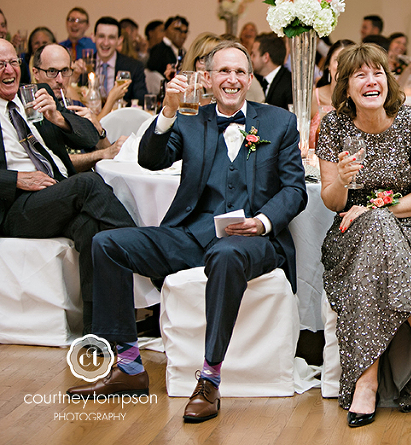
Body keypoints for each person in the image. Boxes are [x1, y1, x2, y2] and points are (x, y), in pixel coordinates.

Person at [66, 40, 308, 424]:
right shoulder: (192, 119)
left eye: (240, 72)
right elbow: (150, 159)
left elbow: (294, 190)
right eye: (223, 71)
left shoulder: (278, 122)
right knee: (106, 243)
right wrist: (167, 111)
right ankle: (128, 366)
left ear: (249, 79)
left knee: (226, 254)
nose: (232, 79)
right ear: (208, 78)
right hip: (191, 236)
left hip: (253, 242)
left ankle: (210, 379)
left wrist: (261, 223)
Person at [316, 43, 411, 427]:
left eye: (377, 72)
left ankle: (366, 384)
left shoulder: (410, 121)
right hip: (348, 232)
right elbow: (331, 201)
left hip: (410, 232)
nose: (371, 80)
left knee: (376, 223)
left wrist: (377, 209)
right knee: (371, 228)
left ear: (388, 80)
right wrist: (341, 181)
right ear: (346, 86)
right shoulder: (333, 126)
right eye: (360, 74)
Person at [0, 38, 136, 333]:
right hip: (14, 205)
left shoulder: (34, 96)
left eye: (12, 62)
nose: (8, 70)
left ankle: (99, 332)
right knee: (87, 183)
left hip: (54, 194)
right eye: (0, 64)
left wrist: (58, 118)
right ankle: (143, 248)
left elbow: (89, 136)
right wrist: (17, 179)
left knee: (91, 230)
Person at [30, 44, 127, 170]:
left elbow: (110, 154)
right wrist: (101, 154)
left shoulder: (75, 106)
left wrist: (98, 130)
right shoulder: (32, 112)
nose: (60, 80)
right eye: (52, 71)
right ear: (36, 73)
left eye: (65, 71)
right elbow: (54, 161)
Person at [91, 16, 147, 106]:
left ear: (119, 40)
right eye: (101, 36)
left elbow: (140, 101)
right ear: (93, 37)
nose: (105, 43)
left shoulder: (134, 67)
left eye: (111, 37)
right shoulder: (84, 66)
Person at [309, 38, 354, 149]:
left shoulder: (362, 100)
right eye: (338, 59)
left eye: (348, 59)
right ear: (328, 65)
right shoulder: (314, 97)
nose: (343, 65)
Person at [251, 33, 292, 110]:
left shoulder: (289, 84)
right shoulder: (256, 79)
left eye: (254, 55)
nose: (251, 58)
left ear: (266, 57)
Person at [180, 32, 221, 106]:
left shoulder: (228, 94)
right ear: (194, 61)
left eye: (213, 59)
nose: (208, 65)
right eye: (203, 58)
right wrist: (190, 96)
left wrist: (211, 93)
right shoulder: (180, 89)